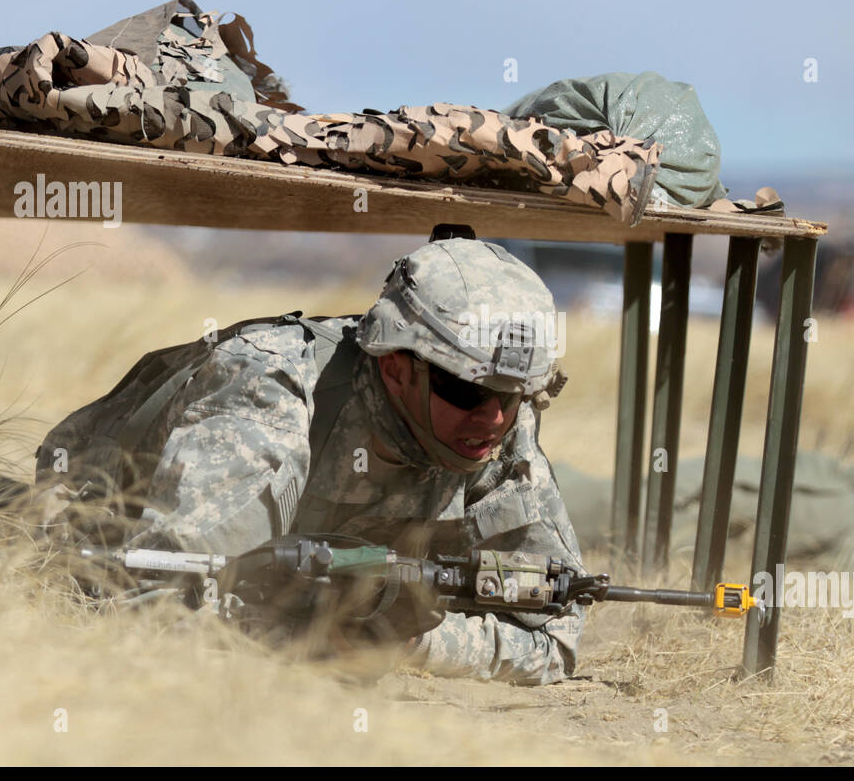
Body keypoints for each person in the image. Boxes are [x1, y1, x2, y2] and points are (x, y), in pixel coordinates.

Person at [37, 233, 583, 686]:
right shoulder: (272, 392)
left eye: (512, 398)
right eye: (465, 391)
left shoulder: (497, 430)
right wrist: (318, 640)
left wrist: (405, 639)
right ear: (396, 368)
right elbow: (159, 608)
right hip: (81, 537)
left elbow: (555, 635)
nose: (491, 420)